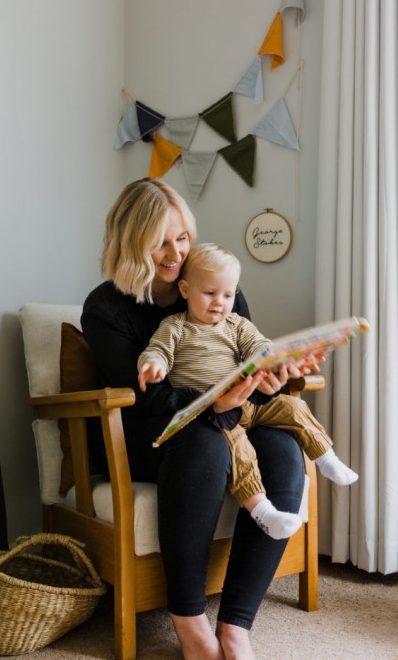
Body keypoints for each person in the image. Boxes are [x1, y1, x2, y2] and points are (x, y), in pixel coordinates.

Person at [82, 178, 311, 660]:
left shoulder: (215, 281)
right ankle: (188, 622)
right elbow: (145, 398)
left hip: (230, 420)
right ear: (131, 241)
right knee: (205, 442)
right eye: (160, 241)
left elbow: (248, 354)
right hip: (151, 435)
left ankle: (236, 625)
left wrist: (272, 376)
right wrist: (216, 401)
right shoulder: (105, 307)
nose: (175, 252)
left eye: (181, 237)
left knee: (283, 449)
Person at [137, 243, 358, 541]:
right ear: (186, 289)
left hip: (250, 403)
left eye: (228, 295)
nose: (220, 302)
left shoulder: (236, 324)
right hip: (217, 415)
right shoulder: (174, 327)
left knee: (293, 408)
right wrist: (153, 365)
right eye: (210, 293)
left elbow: (259, 347)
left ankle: (325, 456)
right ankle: (262, 511)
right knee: (239, 446)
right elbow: (157, 352)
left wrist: (278, 358)